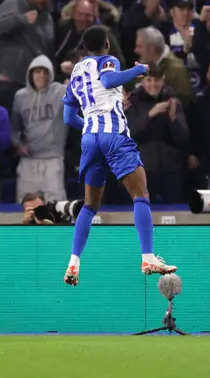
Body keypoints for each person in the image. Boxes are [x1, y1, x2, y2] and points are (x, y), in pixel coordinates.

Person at [61, 25, 177, 286]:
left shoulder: (76, 73)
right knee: (141, 195)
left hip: (89, 139)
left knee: (90, 206)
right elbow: (108, 80)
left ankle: (73, 261)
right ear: (107, 45)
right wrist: (138, 70)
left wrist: (92, 124)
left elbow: (68, 117)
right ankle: (148, 256)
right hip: (114, 135)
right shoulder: (107, 60)